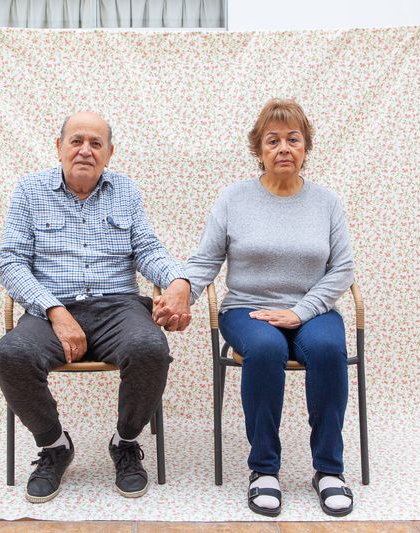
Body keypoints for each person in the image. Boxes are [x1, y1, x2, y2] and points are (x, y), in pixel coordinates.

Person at [157, 99, 355, 517]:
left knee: (326, 350)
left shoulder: (327, 203)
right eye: (273, 140)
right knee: (265, 349)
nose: (284, 147)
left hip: (312, 310)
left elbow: (343, 270)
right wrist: (180, 295)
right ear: (259, 150)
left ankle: (329, 470)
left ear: (306, 148)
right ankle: (264, 469)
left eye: (293, 139)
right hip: (247, 310)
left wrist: (301, 312)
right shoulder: (234, 199)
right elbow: (206, 260)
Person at [0, 111, 191, 504]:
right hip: (51, 310)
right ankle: (54, 446)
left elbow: (148, 250)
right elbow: (10, 262)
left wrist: (179, 282)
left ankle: (126, 442)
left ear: (109, 153)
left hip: (118, 308)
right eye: (77, 141)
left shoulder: (126, 191)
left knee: (151, 349)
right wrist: (55, 310)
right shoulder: (29, 191)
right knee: (11, 354)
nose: (85, 150)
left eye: (96, 143)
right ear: (59, 147)